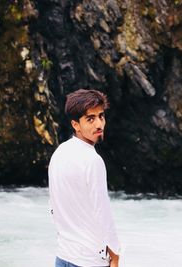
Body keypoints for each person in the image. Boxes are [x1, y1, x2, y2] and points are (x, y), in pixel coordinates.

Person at [49, 89, 120, 267]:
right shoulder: (93, 161)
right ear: (76, 124)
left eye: (101, 116)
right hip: (89, 260)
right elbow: (102, 212)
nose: (99, 124)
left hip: (63, 256)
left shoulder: (60, 152)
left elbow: (52, 206)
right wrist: (115, 254)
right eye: (90, 119)